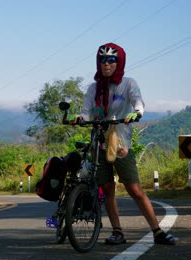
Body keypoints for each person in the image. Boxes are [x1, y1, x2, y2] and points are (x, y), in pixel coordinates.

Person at [68, 42, 177, 245]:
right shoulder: (94, 88)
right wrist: (80, 118)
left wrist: (136, 113)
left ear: (119, 62)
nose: (106, 64)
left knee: (134, 189)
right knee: (107, 188)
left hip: (120, 144)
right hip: (99, 144)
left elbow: (138, 102)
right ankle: (117, 232)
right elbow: (86, 110)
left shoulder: (128, 83)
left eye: (111, 60)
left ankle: (157, 231)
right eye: (102, 60)